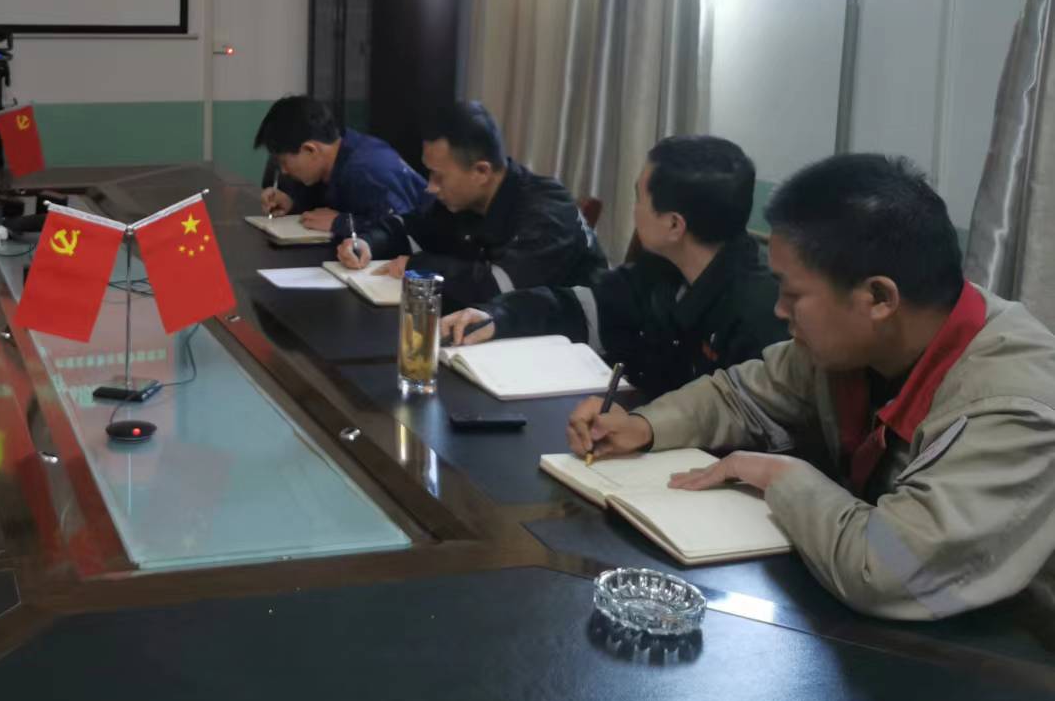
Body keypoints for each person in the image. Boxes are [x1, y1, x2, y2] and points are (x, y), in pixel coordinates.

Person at [569, 153, 1055, 621]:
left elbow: (887, 570)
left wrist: (781, 477)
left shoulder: (1012, 405)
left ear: (879, 297)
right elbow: (738, 395)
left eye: (793, 293)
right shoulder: (855, 344)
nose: (779, 310)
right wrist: (643, 426)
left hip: (1004, 652)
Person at [441, 135, 785, 397]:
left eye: (639, 198)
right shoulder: (663, 268)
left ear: (674, 225)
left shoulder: (760, 314)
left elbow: (747, 423)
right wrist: (499, 316)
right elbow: (585, 305)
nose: (635, 210)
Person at [339, 100, 605, 307]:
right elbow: (414, 229)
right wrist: (367, 242)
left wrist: (420, 266)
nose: (431, 187)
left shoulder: (547, 208)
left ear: (481, 172)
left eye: (439, 176)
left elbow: (499, 288)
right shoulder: (465, 199)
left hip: (575, 349)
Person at [254, 95, 428, 247]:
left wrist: (342, 223)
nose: (283, 171)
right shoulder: (335, 156)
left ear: (310, 150)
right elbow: (329, 207)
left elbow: (402, 230)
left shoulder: (365, 169)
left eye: (284, 162)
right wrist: (293, 203)